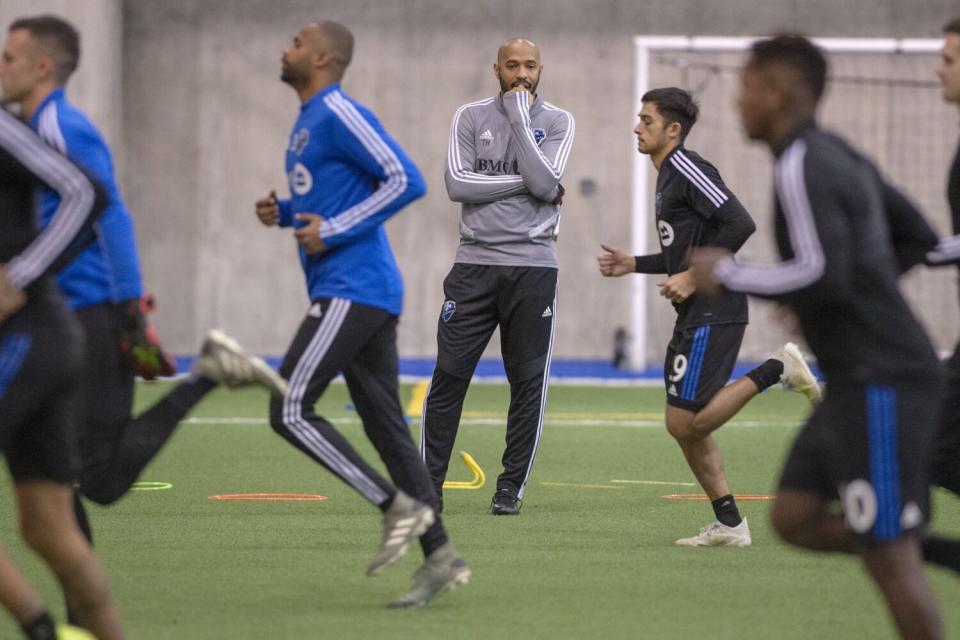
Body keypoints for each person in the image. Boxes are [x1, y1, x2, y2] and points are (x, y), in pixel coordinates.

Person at [0, 14, 289, 624]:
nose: (2, 66)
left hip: (91, 314)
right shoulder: (31, 125)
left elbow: (110, 213)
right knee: (65, 482)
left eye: (9, 57)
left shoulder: (60, 126)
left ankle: (207, 375)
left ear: (41, 66)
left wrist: (131, 311)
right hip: (66, 315)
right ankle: (77, 617)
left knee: (97, 479)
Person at [690, 35, 946, 639]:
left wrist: (726, 272)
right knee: (795, 517)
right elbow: (917, 238)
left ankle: (901, 540)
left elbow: (819, 268)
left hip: (885, 378)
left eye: (745, 86)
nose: (738, 102)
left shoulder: (803, 161)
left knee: (887, 557)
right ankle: (915, 539)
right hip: (855, 380)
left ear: (775, 91)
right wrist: (838, 301)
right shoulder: (839, 155)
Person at [255, 20, 469, 608]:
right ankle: (442, 559)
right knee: (388, 431)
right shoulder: (305, 123)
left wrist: (338, 228)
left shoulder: (338, 112)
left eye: (295, 42)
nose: (285, 47)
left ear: (322, 58)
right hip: (357, 291)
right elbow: (333, 202)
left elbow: (407, 180)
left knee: (289, 406)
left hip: (355, 288)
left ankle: (393, 507)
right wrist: (289, 211)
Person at [597, 87, 820, 547]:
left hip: (715, 307)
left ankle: (779, 368)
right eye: (638, 118)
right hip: (696, 311)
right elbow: (680, 253)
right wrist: (635, 264)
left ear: (672, 130)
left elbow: (740, 222)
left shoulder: (686, 166)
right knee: (683, 427)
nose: (637, 127)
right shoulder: (666, 176)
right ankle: (730, 525)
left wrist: (696, 279)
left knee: (689, 423)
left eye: (647, 120)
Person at [420, 37, 575, 516]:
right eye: (512, 66)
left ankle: (510, 489)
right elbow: (456, 184)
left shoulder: (558, 121)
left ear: (541, 69)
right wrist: (531, 184)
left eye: (530, 66)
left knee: (527, 382)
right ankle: (427, 488)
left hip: (534, 269)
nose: (521, 74)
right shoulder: (469, 117)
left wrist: (520, 118)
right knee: (448, 376)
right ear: (496, 68)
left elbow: (548, 183)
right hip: (473, 266)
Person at [0, 105, 124, 639]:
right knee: (47, 528)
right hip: (43, 340)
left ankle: (38, 628)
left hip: (26, 339)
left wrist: (19, 276)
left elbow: (86, 192)